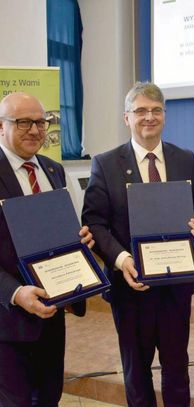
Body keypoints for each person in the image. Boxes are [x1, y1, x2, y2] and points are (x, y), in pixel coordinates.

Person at [82, 82, 194, 406]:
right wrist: (122, 258)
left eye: (155, 110)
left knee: (177, 370)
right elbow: (95, 222)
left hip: (175, 287)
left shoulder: (184, 158)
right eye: (140, 111)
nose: (148, 117)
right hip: (129, 290)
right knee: (137, 374)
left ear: (164, 115)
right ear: (127, 118)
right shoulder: (105, 163)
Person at [0, 92, 93, 406]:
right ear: (1, 127)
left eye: (41, 121)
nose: (35, 129)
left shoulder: (54, 171)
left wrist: (81, 244)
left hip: (53, 318)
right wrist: (16, 293)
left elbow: (64, 239)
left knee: (50, 397)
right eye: (23, 122)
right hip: (8, 321)